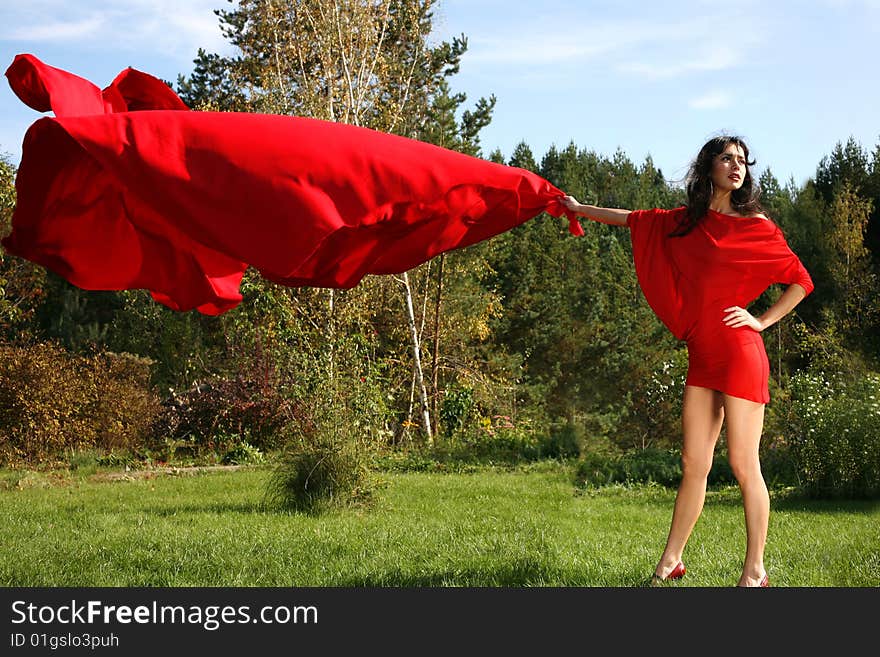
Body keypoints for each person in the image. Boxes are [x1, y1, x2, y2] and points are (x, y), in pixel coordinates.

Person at [559, 135, 815, 587]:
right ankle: (670, 562)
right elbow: (633, 220)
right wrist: (580, 210)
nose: (737, 166)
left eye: (742, 161)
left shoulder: (756, 225)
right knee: (694, 463)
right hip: (703, 353)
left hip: (740, 353)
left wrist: (761, 321)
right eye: (727, 158)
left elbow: (799, 280)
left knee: (742, 464)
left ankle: (754, 571)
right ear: (709, 167)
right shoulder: (682, 223)